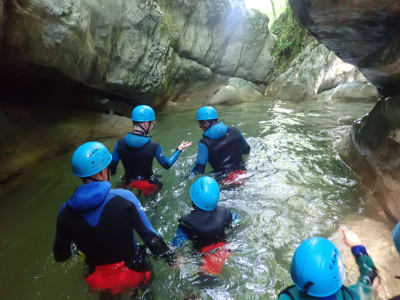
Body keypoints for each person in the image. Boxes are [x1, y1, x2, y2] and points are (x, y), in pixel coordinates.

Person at [53, 141, 174, 297]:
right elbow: (151, 238)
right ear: (103, 171)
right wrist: (172, 259)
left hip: (98, 280)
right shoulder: (124, 198)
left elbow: (61, 255)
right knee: (145, 286)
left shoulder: (65, 213)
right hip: (132, 273)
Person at [110, 105, 192, 196]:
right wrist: (179, 149)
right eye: (152, 123)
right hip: (147, 186)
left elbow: (112, 169)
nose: (152, 126)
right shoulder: (153, 146)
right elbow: (167, 165)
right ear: (146, 124)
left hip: (127, 184)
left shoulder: (119, 144)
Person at [277, 227, 378, 300]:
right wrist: (357, 247)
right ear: (339, 272)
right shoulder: (352, 296)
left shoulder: (286, 297)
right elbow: (371, 276)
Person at [172, 176, 234, 274]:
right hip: (227, 251)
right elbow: (235, 220)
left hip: (205, 260)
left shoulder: (186, 225)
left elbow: (175, 245)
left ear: (193, 200)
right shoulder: (226, 213)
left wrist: (176, 256)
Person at [191, 106, 250, 186]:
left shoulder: (204, 143)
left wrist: (186, 176)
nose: (200, 126)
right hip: (243, 174)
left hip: (223, 180)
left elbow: (199, 170)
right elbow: (247, 150)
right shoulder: (234, 130)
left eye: (200, 123)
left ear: (206, 123)